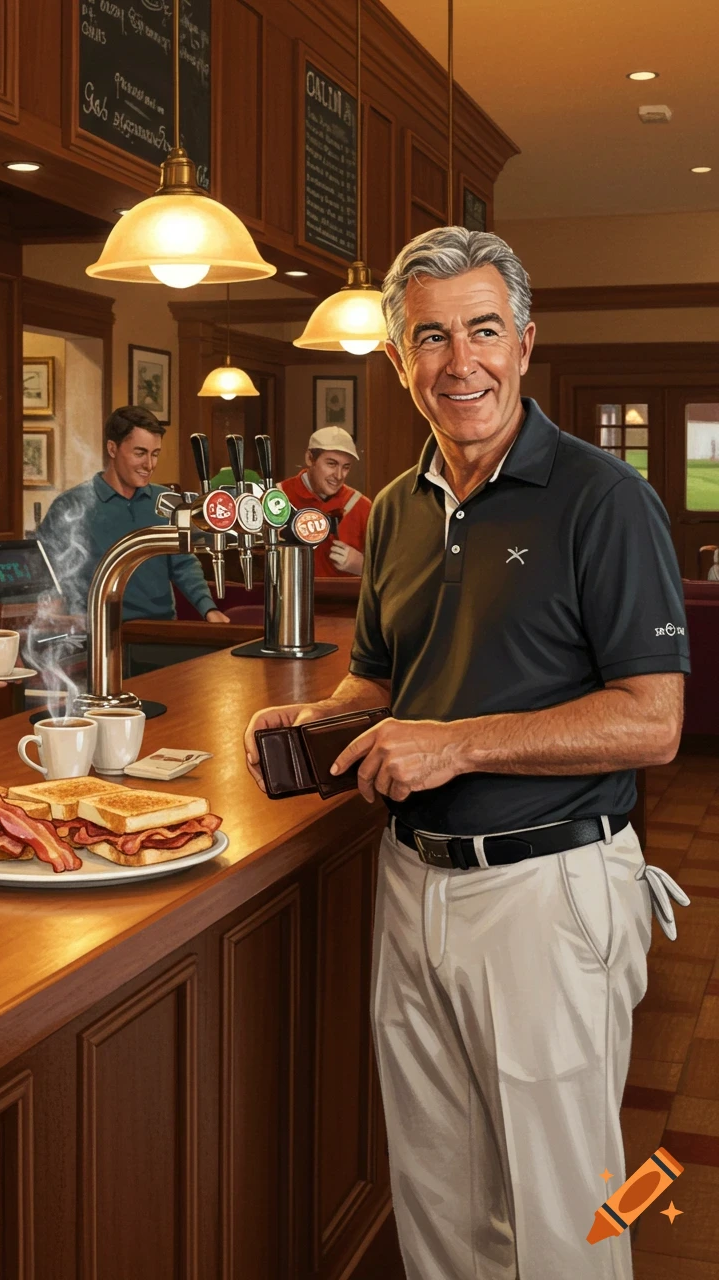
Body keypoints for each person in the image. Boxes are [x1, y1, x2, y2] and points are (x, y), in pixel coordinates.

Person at [245, 227, 691, 1280]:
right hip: (412, 883)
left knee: (567, 1215)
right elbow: (385, 683)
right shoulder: (397, 508)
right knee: (438, 1203)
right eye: (430, 338)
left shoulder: (601, 497)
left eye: (482, 330)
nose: (460, 362)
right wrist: (314, 722)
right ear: (398, 362)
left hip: (550, 888)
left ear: (524, 343)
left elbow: (649, 720)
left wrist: (456, 744)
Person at [36, 405, 229, 622]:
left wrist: (209, 609)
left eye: (155, 454)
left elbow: (184, 564)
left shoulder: (167, 501)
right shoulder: (71, 505)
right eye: (140, 453)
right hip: (98, 635)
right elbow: (45, 576)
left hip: (161, 632)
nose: (149, 464)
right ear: (112, 449)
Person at [277, 426, 371, 577]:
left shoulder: (361, 506)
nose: (339, 476)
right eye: (331, 464)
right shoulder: (277, 498)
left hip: (345, 600)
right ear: (310, 459)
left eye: (346, 467)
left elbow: (390, 570)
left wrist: (362, 565)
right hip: (288, 598)